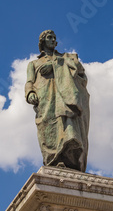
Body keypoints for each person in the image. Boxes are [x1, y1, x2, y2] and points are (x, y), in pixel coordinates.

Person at [25, 30, 89, 172]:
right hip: (45, 98)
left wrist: (55, 65)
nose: (53, 40)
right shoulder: (34, 64)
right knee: (48, 128)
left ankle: (69, 161)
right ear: (43, 41)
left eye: (54, 38)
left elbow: (80, 72)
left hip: (64, 99)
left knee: (68, 127)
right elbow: (29, 82)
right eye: (49, 38)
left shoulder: (65, 58)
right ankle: (53, 161)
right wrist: (30, 93)